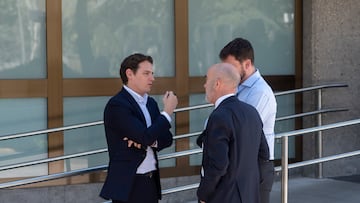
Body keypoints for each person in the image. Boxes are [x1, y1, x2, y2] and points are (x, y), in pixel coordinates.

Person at [99, 53, 178, 203]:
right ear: (130, 74)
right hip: (128, 184)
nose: (152, 78)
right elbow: (146, 136)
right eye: (146, 73)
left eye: (152, 74)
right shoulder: (117, 105)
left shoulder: (151, 103)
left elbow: (167, 139)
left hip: (150, 181)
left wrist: (149, 140)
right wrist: (167, 112)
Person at [196, 63, 269, 203]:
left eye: (206, 80)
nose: (205, 86)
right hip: (250, 196)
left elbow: (218, 164)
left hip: (224, 197)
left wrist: (203, 195)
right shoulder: (251, 112)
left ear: (217, 84)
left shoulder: (218, 117)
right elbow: (264, 154)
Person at [219, 37, 277, 203]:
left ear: (247, 64)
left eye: (231, 67)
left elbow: (240, 129)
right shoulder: (236, 88)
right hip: (240, 163)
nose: (226, 73)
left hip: (255, 165)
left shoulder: (260, 92)